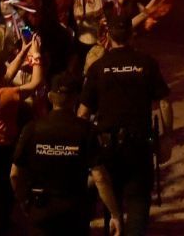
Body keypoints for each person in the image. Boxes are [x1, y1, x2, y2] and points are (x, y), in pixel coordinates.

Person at [80, 17, 169, 236]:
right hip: (139, 144)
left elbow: (83, 112)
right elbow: (163, 102)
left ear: (108, 37)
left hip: (107, 145)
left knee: (112, 199)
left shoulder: (98, 68)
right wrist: (166, 138)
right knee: (138, 200)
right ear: (131, 35)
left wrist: (82, 145)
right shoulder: (146, 63)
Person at [15, 72, 119, 236]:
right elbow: (99, 176)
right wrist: (115, 214)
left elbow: (15, 174)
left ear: (50, 97)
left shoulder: (32, 129)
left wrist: (24, 202)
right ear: (75, 98)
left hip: (41, 207)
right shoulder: (86, 130)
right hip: (74, 211)